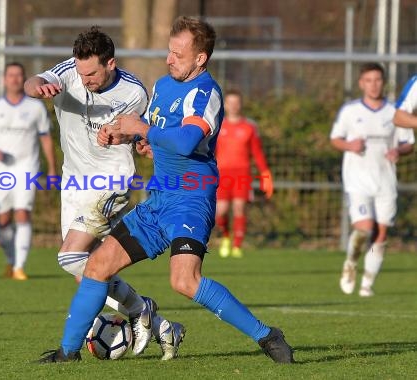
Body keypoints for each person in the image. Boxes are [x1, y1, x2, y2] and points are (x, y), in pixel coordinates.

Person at [37, 16, 294, 364]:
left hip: (190, 200)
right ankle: (67, 354)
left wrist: (140, 127)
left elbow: (188, 141)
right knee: (97, 266)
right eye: (169, 52)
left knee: (185, 282)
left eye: (177, 53)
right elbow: (159, 139)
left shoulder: (206, 93)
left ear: (200, 58)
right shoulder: (162, 85)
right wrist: (133, 138)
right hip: (158, 199)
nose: (169, 59)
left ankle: (266, 336)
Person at [24, 27, 185, 360]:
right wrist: (37, 87)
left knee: (69, 257)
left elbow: (141, 134)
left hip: (111, 181)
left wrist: (129, 139)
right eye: (81, 72)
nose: (85, 80)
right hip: (74, 184)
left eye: (92, 72)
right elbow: (31, 82)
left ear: (110, 62)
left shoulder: (134, 91)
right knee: (86, 268)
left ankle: (132, 314)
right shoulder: (69, 72)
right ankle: (156, 320)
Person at [330, 62, 414, 297]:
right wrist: (349, 144)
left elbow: (409, 143)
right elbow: (335, 139)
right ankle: (350, 263)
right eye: (369, 80)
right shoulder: (350, 111)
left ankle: (367, 284)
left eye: (377, 80)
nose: (373, 85)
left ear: (383, 82)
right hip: (357, 180)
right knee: (365, 228)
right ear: (361, 83)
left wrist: (399, 151)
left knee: (381, 235)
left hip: (385, 180)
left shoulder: (395, 112)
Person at [0, 62, 57, 281]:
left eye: (18, 75)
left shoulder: (35, 107)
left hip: (27, 167)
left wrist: (51, 169)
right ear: (4, 79)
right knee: (3, 219)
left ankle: (20, 266)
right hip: (0, 170)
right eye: (10, 75)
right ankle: (11, 262)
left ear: (24, 78)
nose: (14, 79)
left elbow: (46, 138)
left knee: (23, 212)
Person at [215, 89, 273, 258]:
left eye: (236, 102)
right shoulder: (218, 126)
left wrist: (265, 174)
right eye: (230, 102)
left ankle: (237, 246)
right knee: (221, 211)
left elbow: (257, 152)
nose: (233, 106)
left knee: (240, 208)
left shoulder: (249, 126)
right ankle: (226, 237)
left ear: (240, 105)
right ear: (225, 105)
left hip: (242, 174)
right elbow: (211, 152)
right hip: (222, 174)